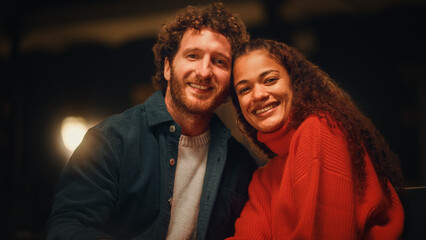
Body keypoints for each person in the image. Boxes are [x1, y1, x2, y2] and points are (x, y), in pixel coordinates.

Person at [45, 3, 258, 240]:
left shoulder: (240, 163)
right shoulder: (110, 140)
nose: (204, 71)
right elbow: (66, 229)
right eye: (193, 56)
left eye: (219, 61)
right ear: (168, 67)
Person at [227, 39, 405, 239]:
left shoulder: (321, 128)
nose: (258, 95)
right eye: (244, 89)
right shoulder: (264, 179)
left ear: (295, 83)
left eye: (270, 80)